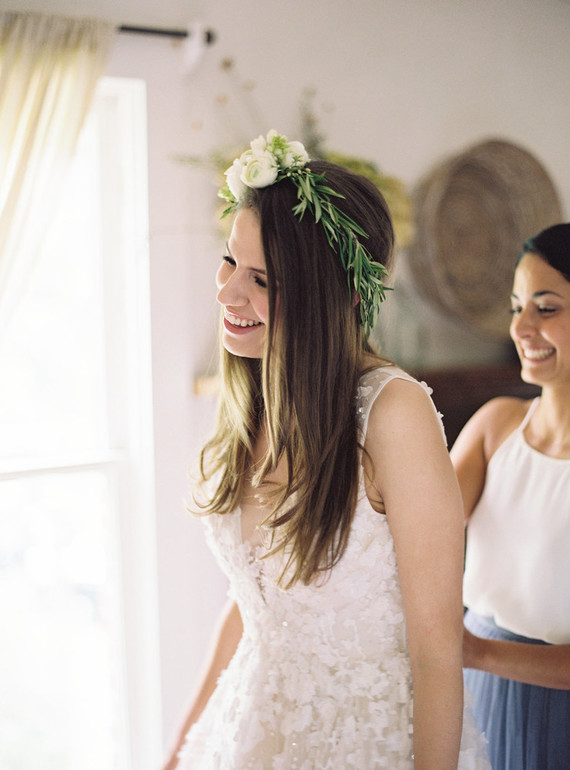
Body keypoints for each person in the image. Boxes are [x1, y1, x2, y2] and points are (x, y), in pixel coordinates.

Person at [162, 130, 489, 769]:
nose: (229, 294)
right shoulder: (253, 395)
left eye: (262, 280)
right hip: (249, 731)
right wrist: (179, 750)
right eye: (230, 262)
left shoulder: (392, 414)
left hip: (366, 742)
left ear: (323, 294)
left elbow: (435, 648)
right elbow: (252, 604)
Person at [451, 222, 570, 770]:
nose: (521, 327)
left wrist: (478, 651)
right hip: (468, 697)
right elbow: (406, 539)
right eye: (517, 306)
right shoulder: (494, 426)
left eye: (546, 308)